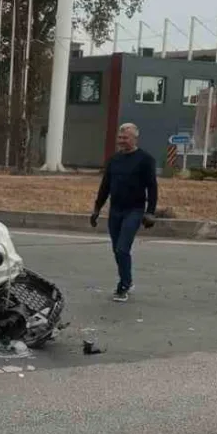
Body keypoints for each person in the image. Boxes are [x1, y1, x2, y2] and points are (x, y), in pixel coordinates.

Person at [90, 123, 158, 302]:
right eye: (119, 137)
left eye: (125, 138)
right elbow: (105, 186)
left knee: (122, 248)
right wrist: (97, 209)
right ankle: (128, 279)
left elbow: (152, 187)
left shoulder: (145, 159)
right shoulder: (114, 160)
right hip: (115, 210)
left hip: (134, 210)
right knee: (116, 249)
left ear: (134, 138)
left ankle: (124, 285)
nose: (121, 141)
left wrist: (150, 212)